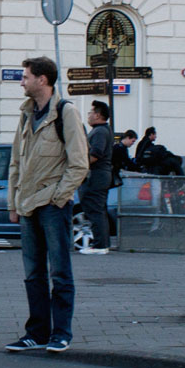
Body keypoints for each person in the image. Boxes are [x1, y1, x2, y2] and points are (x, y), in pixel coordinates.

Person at [5, 56, 88, 354]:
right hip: (27, 206)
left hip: (53, 205)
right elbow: (16, 161)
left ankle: (61, 333)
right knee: (33, 274)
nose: (21, 81)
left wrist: (58, 197)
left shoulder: (66, 112)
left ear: (43, 79)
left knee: (60, 272)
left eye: (25, 76)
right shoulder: (26, 114)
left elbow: (79, 164)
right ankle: (37, 332)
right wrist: (12, 203)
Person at [78, 101, 113, 255]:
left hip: (95, 176)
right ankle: (103, 244)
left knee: (94, 210)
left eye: (91, 113)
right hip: (101, 176)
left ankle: (99, 246)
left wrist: (81, 165)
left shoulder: (99, 132)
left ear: (98, 115)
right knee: (99, 210)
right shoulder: (103, 130)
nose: (89, 115)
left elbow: (95, 154)